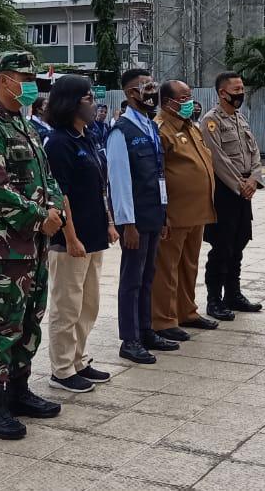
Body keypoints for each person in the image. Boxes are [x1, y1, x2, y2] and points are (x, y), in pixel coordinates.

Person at [0, 51, 66, 440]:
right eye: (24, 78)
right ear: (4, 80)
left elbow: (47, 176)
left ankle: (18, 392)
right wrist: (40, 217)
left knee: (29, 320)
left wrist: (54, 208)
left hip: (34, 245)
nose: (30, 85)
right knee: (0, 325)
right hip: (3, 248)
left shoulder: (23, 125)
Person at [43, 75, 116, 393]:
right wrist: (71, 237)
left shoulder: (89, 135)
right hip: (70, 240)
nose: (94, 103)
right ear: (71, 102)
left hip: (94, 234)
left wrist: (109, 223)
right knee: (67, 306)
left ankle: (79, 359)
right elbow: (60, 195)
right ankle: (61, 369)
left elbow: (100, 186)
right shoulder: (58, 143)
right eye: (88, 98)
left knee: (88, 305)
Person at [107, 69, 176, 365]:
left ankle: (146, 330)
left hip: (153, 213)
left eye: (153, 85)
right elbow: (119, 181)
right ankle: (130, 339)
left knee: (149, 276)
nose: (152, 92)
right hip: (134, 219)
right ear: (130, 93)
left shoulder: (149, 125)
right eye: (146, 87)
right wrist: (127, 224)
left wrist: (164, 213)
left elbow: (159, 174)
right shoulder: (121, 131)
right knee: (132, 279)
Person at [152, 80, 219, 342]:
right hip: (175, 212)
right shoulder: (161, 129)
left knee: (189, 264)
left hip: (197, 210)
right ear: (167, 102)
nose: (189, 102)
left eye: (189, 96)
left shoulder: (190, 126)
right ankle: (163, 319)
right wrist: (162, 212)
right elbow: (157, 174)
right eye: (183, 98)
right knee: (167, 267)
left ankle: (186, 311)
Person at [200, 72, 264, 321]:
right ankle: (214, 300)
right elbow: (217, 159)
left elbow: (254, 152)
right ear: (222, 93)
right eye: (236, 90)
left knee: (239, 243)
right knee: (222, 246)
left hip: (244, 191)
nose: (240, 94)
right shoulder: (210, 121)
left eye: (242, 89)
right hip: (225, 192)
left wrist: (254, 179)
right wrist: (241, 185)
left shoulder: (240, 118)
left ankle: (233, 294)